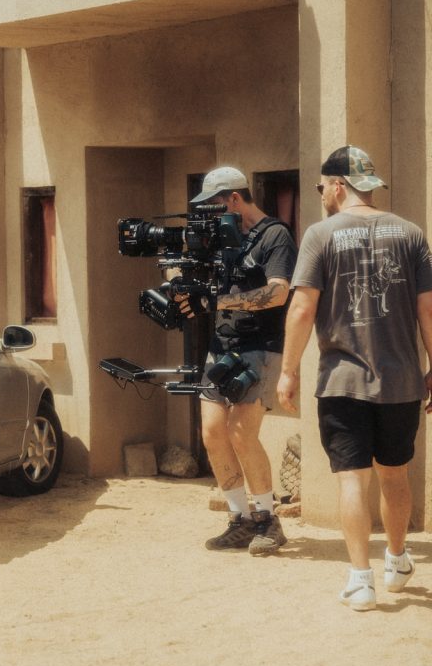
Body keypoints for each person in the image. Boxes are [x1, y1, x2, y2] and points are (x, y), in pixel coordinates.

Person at [277, 146, 431, 611]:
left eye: (323, 186)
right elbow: (428, 309)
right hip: (402, 380)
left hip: (342, 381)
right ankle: (398, 558)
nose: (322, 193)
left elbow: (302, 307)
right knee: (394, 474)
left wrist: (287, 372)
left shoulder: (320, 235)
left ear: (339, 184)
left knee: (351, 479)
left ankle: (361, 580)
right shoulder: (411, 234)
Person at [177, 166, 298, 555]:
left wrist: (217, 302)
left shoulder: (276, 236)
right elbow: (200, 281)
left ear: (233, 198)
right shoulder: (223, 240)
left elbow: (278, 294)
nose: (210, 213)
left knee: (243, 432)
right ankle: (239, 519)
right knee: (212, 432)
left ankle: (267, 520)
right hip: (222, 345)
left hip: (260, 347)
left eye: (214, 204)